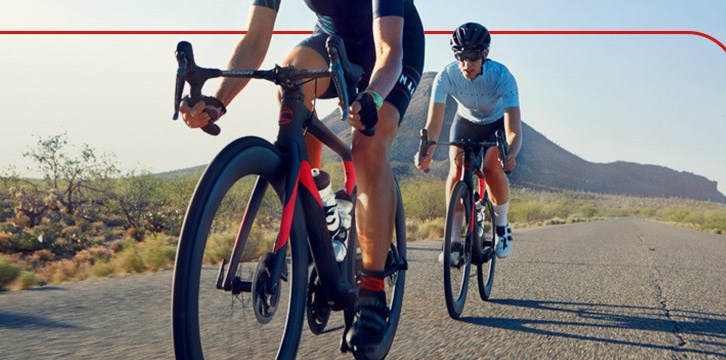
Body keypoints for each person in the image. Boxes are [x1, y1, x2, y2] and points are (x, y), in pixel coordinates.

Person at [176, 0, 424, 353]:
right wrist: (217, 101)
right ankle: (323, 206)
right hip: (333, 44)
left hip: (394, 50)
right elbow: (254, 39)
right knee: (291, 79)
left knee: (368, 142)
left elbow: (390, 50)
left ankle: (372, 290)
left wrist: (372, 96)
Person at [415, 22, 522, 263]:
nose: (466, 64)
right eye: (461, 57)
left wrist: (510, 154)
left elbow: (514, 129)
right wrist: (426, 152)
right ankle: (452, 238)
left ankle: (502, 226)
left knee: (492, 166)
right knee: (455, 166)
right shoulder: (446, 76)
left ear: (485, 55)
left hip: (495, 124)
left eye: (473, 57)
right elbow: (434, 124)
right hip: (466, 121)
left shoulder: (502, 77)